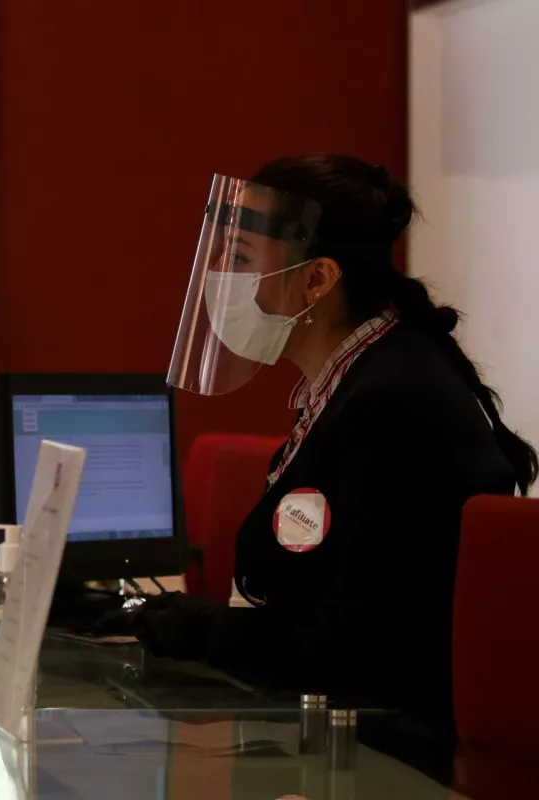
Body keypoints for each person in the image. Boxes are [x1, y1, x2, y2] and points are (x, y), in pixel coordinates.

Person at [132, 155, 536, 725]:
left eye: (242, 257)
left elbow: (354, 650)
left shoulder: (391, 406)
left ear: (317, 278)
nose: (222, 275)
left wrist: (201, 630)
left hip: (387, 756)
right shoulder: (363, 377)